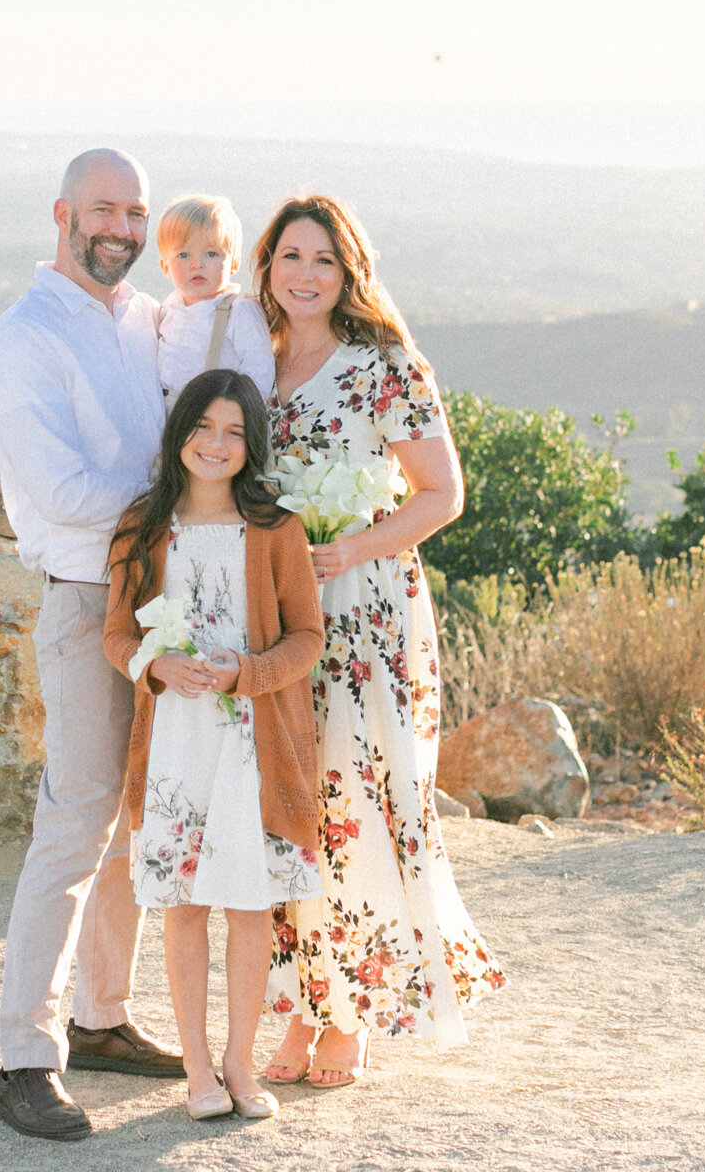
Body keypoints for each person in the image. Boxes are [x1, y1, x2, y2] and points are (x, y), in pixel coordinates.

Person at [255, 193, 505, 1089]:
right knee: (282, 807)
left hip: (364, 614)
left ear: (349, 271)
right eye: (291, 257)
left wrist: (350, 547)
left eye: (324, 259)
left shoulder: (384, 364)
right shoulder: (256, 357)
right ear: (269, 266)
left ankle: (348, 1014)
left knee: (353, 800)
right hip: (274, 614)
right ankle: (295, 1003)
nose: (306, 274)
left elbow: (443, 494)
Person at [0, 148, 185, 1144]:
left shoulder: (142, 320)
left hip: (166, 596)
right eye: (106, 207)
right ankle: (25, 1056)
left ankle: (101, 1018)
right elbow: (58, 494)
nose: (122, 226)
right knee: (73, 821)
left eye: (137, 210)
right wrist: (185, 502)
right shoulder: (20, 340)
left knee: (132, 822)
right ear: (62, 212)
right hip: (83, 597)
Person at [103, 368, 326, 1122]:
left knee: (253, 907)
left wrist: (246, 671)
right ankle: (196, 1067)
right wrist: (154, 664)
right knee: (188, 906)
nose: (216, 443)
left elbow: (308, 639)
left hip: (255, 747)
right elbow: (115, 634)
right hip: (174, 747)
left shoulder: (276, 529)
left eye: (234, 432)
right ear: (180, 433)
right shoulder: (142, 528)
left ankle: (239, 1064)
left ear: (251, 445)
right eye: (204, 427)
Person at [152, 194, 276, 406]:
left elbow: (260, 370)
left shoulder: (239, 311)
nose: (196, 264)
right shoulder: (168, 309)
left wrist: (238, 413)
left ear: (233, 263)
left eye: (211, 254)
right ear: (165, 267)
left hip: (213, 416)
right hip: (164, 416)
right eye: (183, 255)